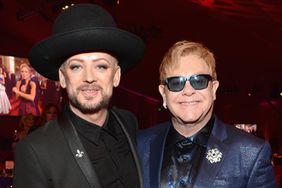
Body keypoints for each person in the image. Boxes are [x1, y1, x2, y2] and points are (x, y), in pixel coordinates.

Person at [13, 3, 145, 188]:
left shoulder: (128, 122)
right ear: (63, 77)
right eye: (76, 66)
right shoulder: (35, 150)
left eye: (101, 66)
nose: (89, 78)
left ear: (116, 76)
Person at [137, 40, 276, 188]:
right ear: (164, 93)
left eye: (199, 81)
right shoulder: (139, 144)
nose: (188, 91)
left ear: (214, 89)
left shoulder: (251, 153)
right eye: (176, 82)